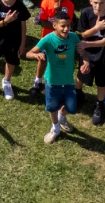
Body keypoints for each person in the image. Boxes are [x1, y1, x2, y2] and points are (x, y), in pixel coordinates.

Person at [28, 9, 82, 145]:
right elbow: (29, 53)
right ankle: (55, 128)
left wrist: (86, 60)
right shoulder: (48, 39)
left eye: (68, 25)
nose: (66, 29)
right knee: (52, 107)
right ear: (55, 25)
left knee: (71, 108)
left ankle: (62, 117)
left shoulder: (73, 37)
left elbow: (81, 49)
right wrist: (36, 55)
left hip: (68, 81)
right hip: (52, 81)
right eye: (63, 26)